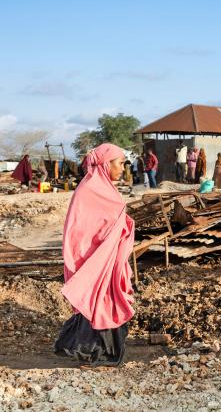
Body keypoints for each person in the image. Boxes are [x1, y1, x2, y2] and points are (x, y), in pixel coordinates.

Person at [54, 144, 135, 367]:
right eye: (119, 163)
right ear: (105, 164)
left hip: (106, 260)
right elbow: (80, 232)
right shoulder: (90, 190)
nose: (122, 169)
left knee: (105, 301)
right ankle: (92, 354)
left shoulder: (104, 189)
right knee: (98, 302)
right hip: (94, 261)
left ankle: (100, 352)